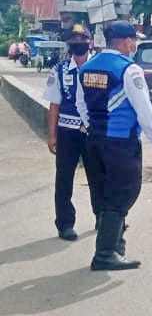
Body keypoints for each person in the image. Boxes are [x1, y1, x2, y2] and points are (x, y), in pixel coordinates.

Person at [76, 20, 152, 270]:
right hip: (120, 143)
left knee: (104, 193)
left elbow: (80, 104)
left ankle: (116, 246)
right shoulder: (129, 69)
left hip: (94, 140)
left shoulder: (87, 67)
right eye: (134, 40)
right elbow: (144, 108)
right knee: (124, 192)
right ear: (126, 41)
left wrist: (95, 126)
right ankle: (105, 254)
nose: (135, 44)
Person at [43, 24, 96, 241]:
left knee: (98, 176)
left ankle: (105, 217)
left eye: (82, 37)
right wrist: (52, 135)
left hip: (93, 132)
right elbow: (54, 105)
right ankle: (65, 223)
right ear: (69, 43)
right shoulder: (59, 69)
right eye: (74, 38)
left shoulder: (99, 66)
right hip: (67, 132)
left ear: (90, 41)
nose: (78, 41)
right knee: (64, 178)